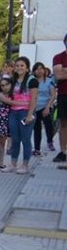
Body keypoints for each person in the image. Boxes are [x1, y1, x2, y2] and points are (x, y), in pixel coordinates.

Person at [0, 57, 38, 174]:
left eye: (22, 65)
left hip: (26, 113)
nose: (19, 68)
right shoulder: (13, 80)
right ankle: (13, 164)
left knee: (25, 139)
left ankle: (25, 165)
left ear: (27, 68)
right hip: (13, 113)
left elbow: (34, 99)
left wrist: (29, 115)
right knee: (14, 140)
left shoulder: (32, 80)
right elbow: (2, 90)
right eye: (17, 65)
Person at [31, 62, 56, 155]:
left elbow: (53, 95)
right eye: (37, 69)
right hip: (34, 108)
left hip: (46, 106)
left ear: (44, 70)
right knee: (36, 128)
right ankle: (37, 149)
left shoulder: (50, 81)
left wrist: (48, 107)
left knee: (49, 125)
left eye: (41, 68)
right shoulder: (32, 81)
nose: (39, 71)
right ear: (34, 71)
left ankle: (50, 142)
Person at [52, 33, 67, 162]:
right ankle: (63, 151)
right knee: (63, 123)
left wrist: (65, 70)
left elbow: (62, 73)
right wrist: (62, 72)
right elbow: (58, 76)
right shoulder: (58, 57)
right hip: (63, 94)